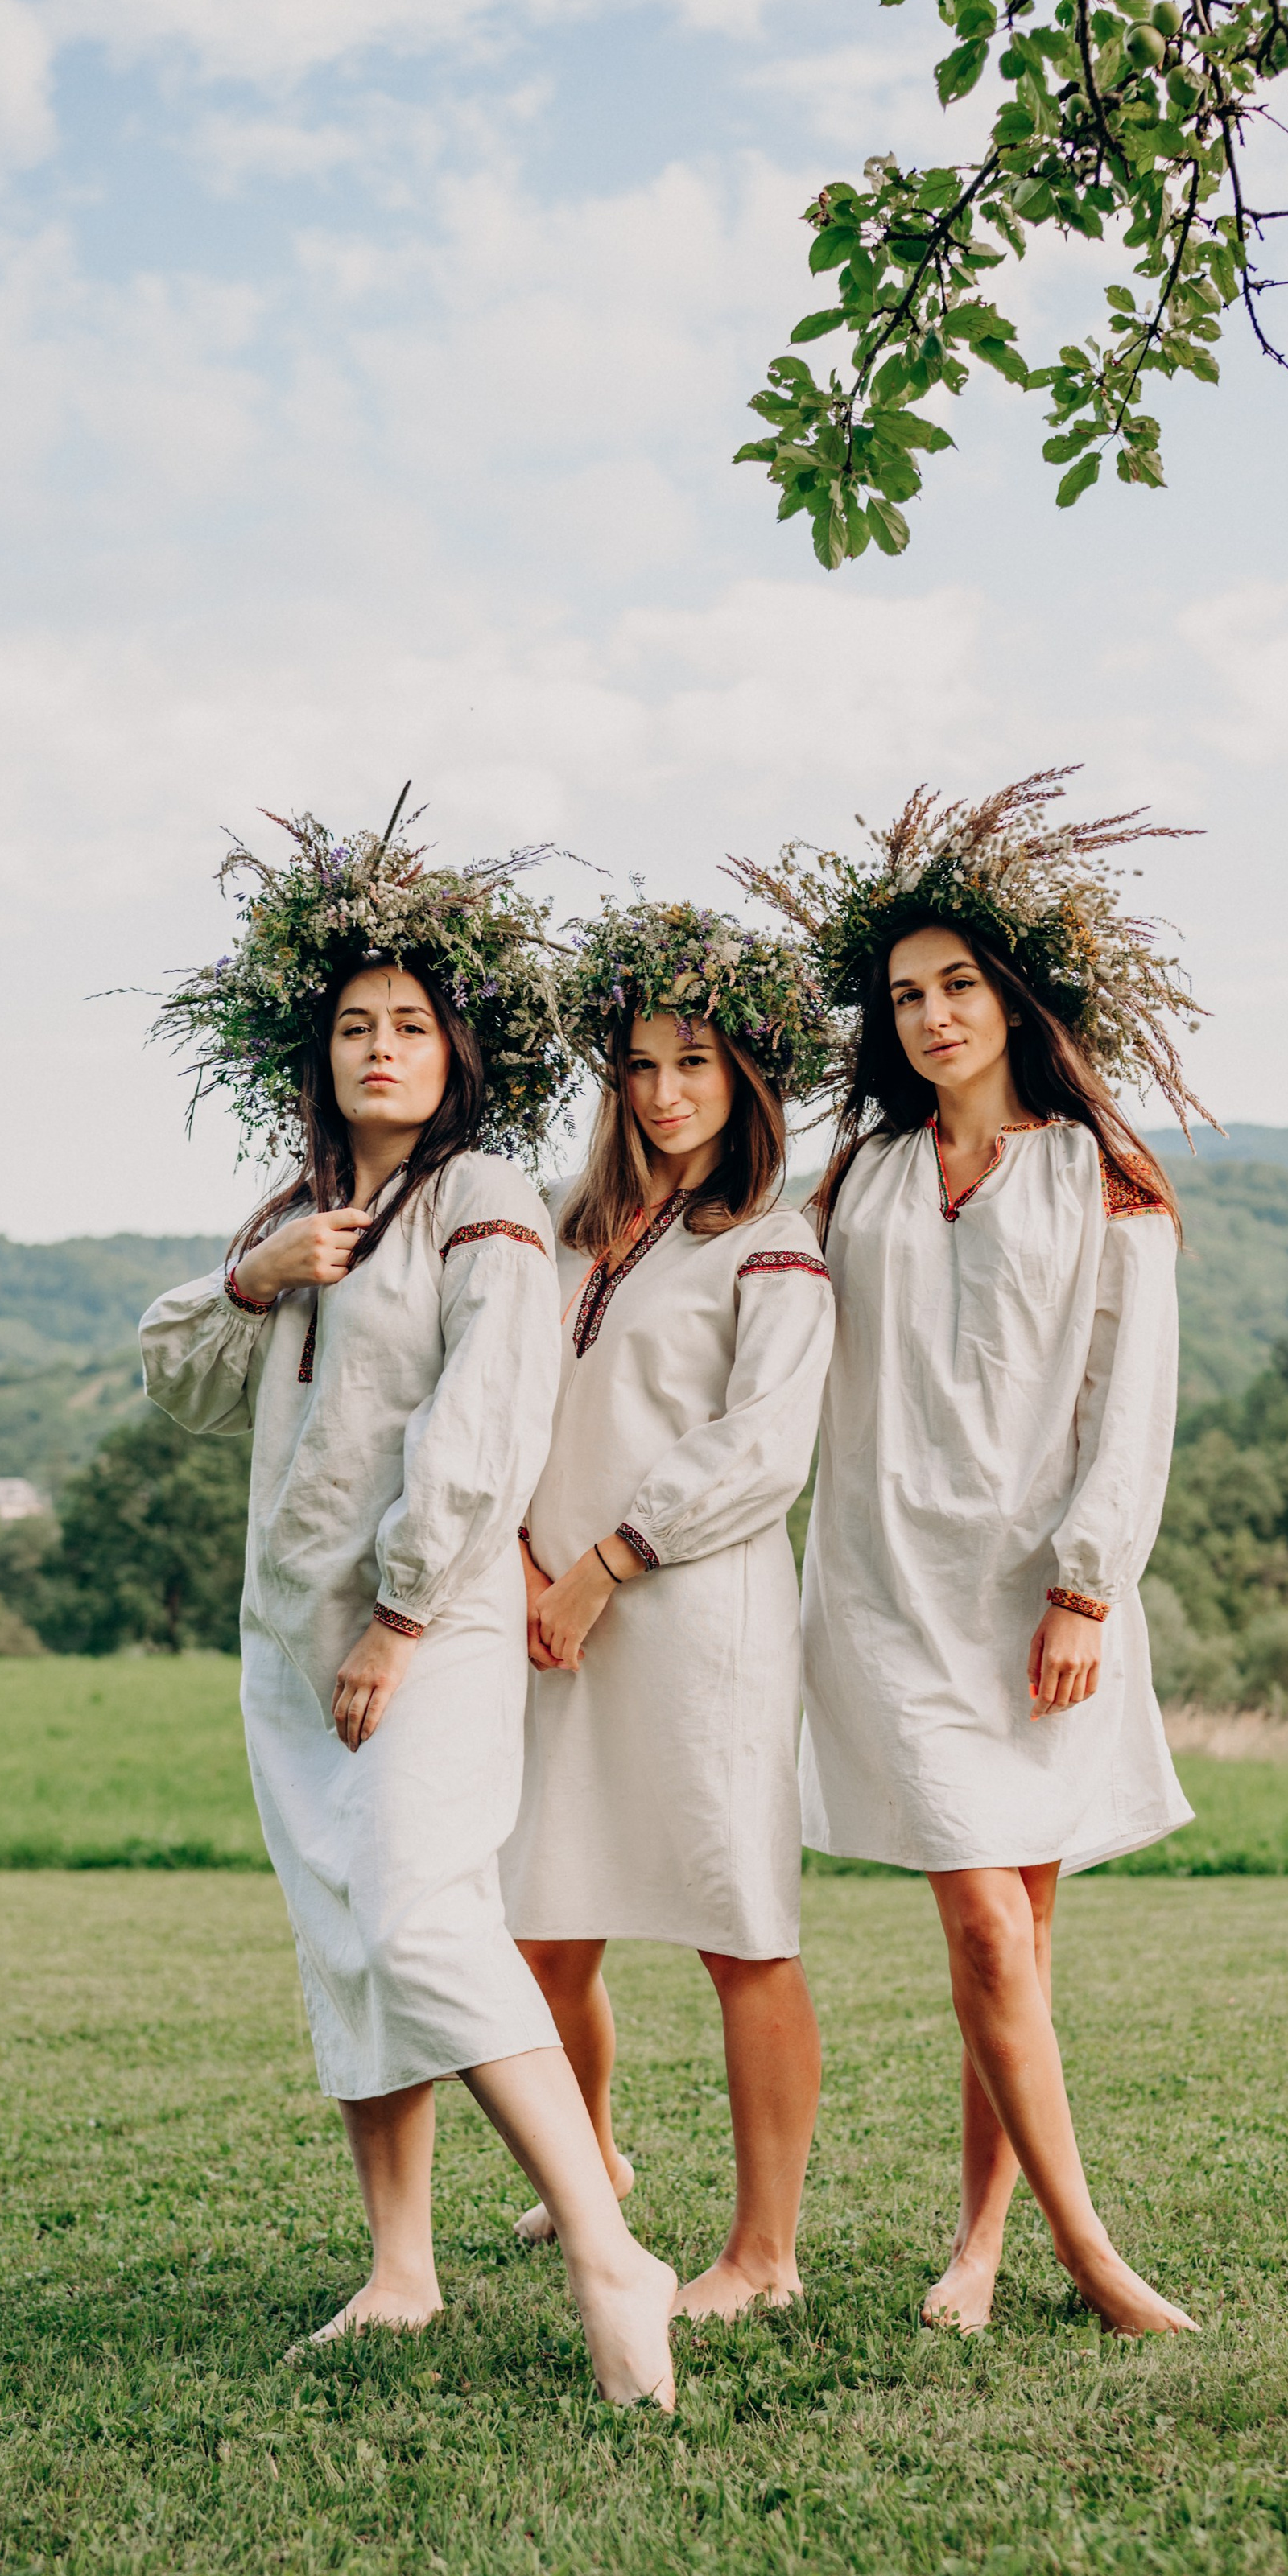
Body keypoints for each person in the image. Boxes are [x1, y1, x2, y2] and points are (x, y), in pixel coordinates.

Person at [138, 808, 680, 2409]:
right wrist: (261, 1275)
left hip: (419, 1634)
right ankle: (400, 2267)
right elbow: (175, 1375)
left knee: (420, 1910)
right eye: (354, 1027)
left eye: (410, 1025)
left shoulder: (484, 1198)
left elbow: (486, 1427)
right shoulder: (296, 1215)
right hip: (282, 1646)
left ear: (458, 1051)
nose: (382, 1047)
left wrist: (396, 1614)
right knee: (346, 1943)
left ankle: (602, 2239)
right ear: (314, 1058)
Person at [728, 771, 1212, 2341]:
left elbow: (1124, 1399)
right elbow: (758, 1328)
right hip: (880, 1599)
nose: (931, 1014)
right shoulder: (852, 1176)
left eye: (956, 984)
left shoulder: (1101, 1176)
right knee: (981, 1921)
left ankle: (982, 2243)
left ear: (1012, 995)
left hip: (1039, 1604)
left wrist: (1087, 1582)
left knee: (1017, 1938)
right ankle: (1091, 2251)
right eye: (904, 994)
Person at [502, 901, 836, 2321]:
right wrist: (522, 1557)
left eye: (692, 1061)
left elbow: (764, 1446)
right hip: (542, 1616)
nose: (663, 1091)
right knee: (539, 1933)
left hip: (698, 1626)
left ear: (743, 1076)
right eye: (637, 1065)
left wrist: (605, 1561)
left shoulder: (768, 1241)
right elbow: (510, 1403)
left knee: (738, 1929)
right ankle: (593, 2166)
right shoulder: (563, 1238)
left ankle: (766, 2253)